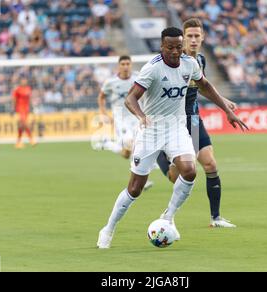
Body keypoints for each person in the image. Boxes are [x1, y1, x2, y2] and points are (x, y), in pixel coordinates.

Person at [97, 27, 247, 249]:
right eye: (170, 47)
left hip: (177, 128)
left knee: (190, 170)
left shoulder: (189, 63)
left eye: (178, 46)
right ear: (162, 46)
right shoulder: (152, 69)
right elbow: (130, 99)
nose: (175, 52)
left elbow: (205, 86)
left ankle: (168, 216)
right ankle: (108, 228)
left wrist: (227, 109)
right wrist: (141, 116)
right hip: (151, 129)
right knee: (135, 188)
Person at [156, 18, 238, 228]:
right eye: (189, 36)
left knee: (210, 164)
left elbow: (203, 86)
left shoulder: (200, 60)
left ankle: (216, 218)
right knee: (177, 175)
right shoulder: (172, 61)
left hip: (193, 119)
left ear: (202, 38)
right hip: (173, 122)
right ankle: (160, 157)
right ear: (182, 39)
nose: (193, 40)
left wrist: (223, 102)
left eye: (196, 36)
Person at [97, 55, 154, 190]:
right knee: (132, 145)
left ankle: (108, 143)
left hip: (136, 116)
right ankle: (141, 181)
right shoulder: (111, 82)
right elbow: (101, 96)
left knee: (126, 153)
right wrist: (103, 112)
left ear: (131, 65)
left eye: (128, 63)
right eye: (123, 64)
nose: (125, 66)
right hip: (120, 118)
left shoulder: (138, 78)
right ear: (119, 66)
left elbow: (148, 92)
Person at [12, 76, 35, 149]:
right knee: (24, 124)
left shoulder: (28, 88)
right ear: (20, 81)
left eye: (25, 80)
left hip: (26, 109)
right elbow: (14, 99)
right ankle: (31, 139)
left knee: (21, 126)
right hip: (20, 109)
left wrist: (31, 107)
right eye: (23, 80)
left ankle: (18, 142)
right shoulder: (17, 89)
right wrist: (13, 109)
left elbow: (30, 99)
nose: (25, 81)